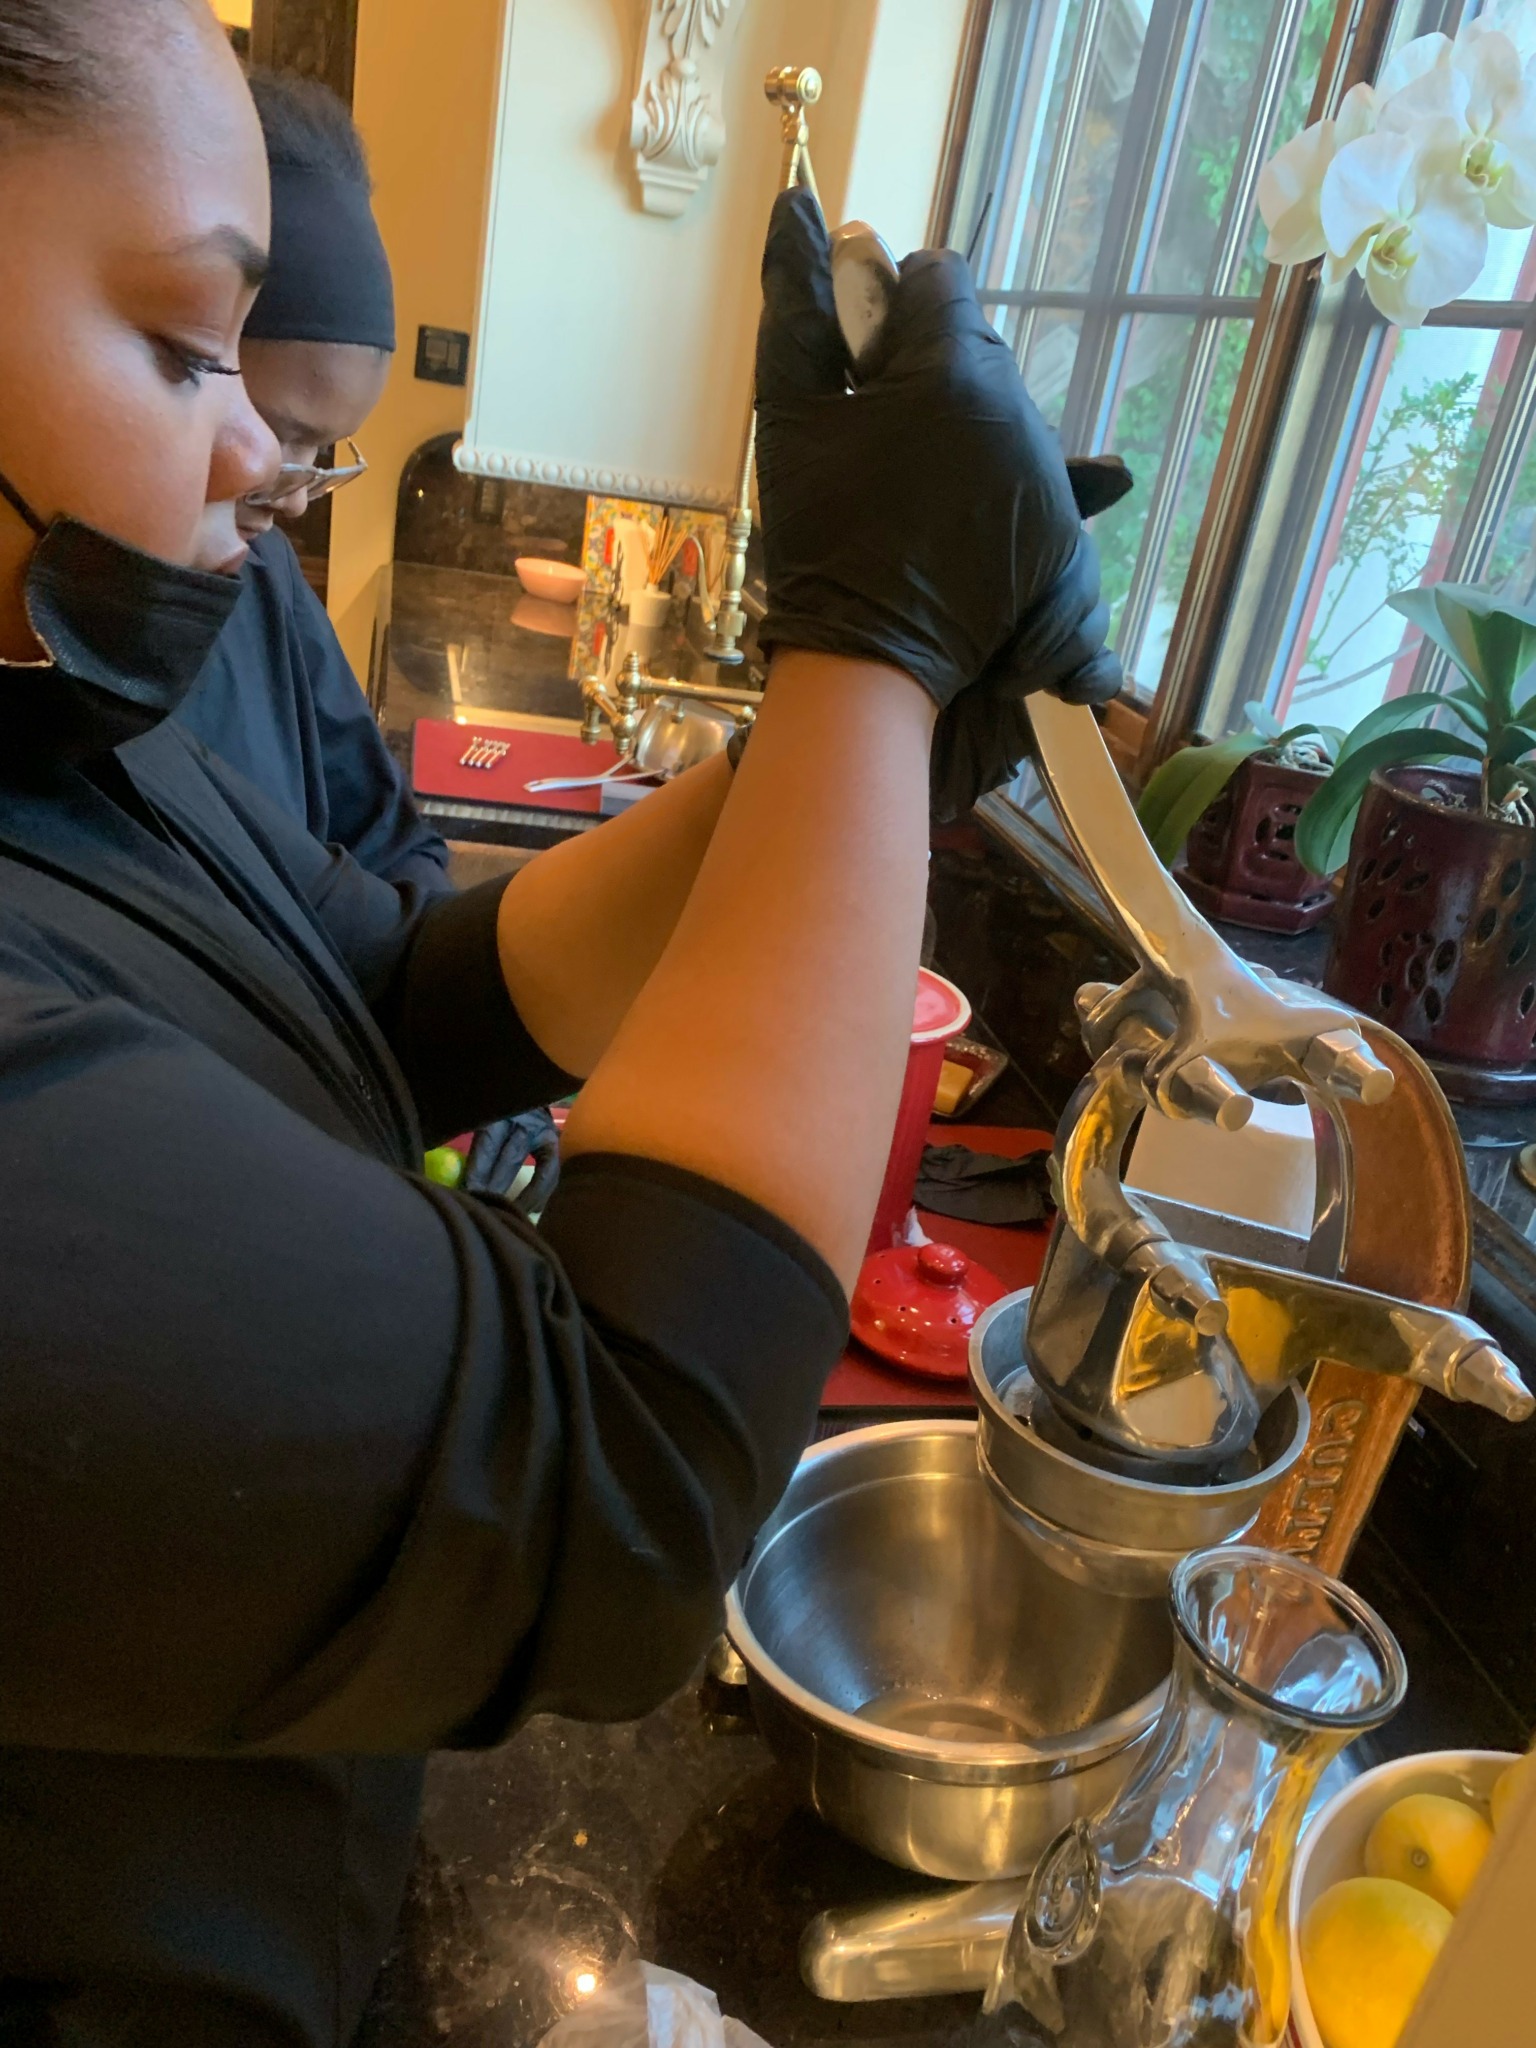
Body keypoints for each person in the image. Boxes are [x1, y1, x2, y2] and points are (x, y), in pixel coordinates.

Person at [0, 4, 1120, 2043]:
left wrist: (854, 745)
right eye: (178, 344)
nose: (252, 451)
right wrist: (868, 652)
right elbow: (621, 1476)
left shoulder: (57, 734)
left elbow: (410, 992)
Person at [175, 68, 448, 891]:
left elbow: (392, 841)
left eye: (322, 452)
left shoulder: (266, 579)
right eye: (278, 432)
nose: (294, 498)